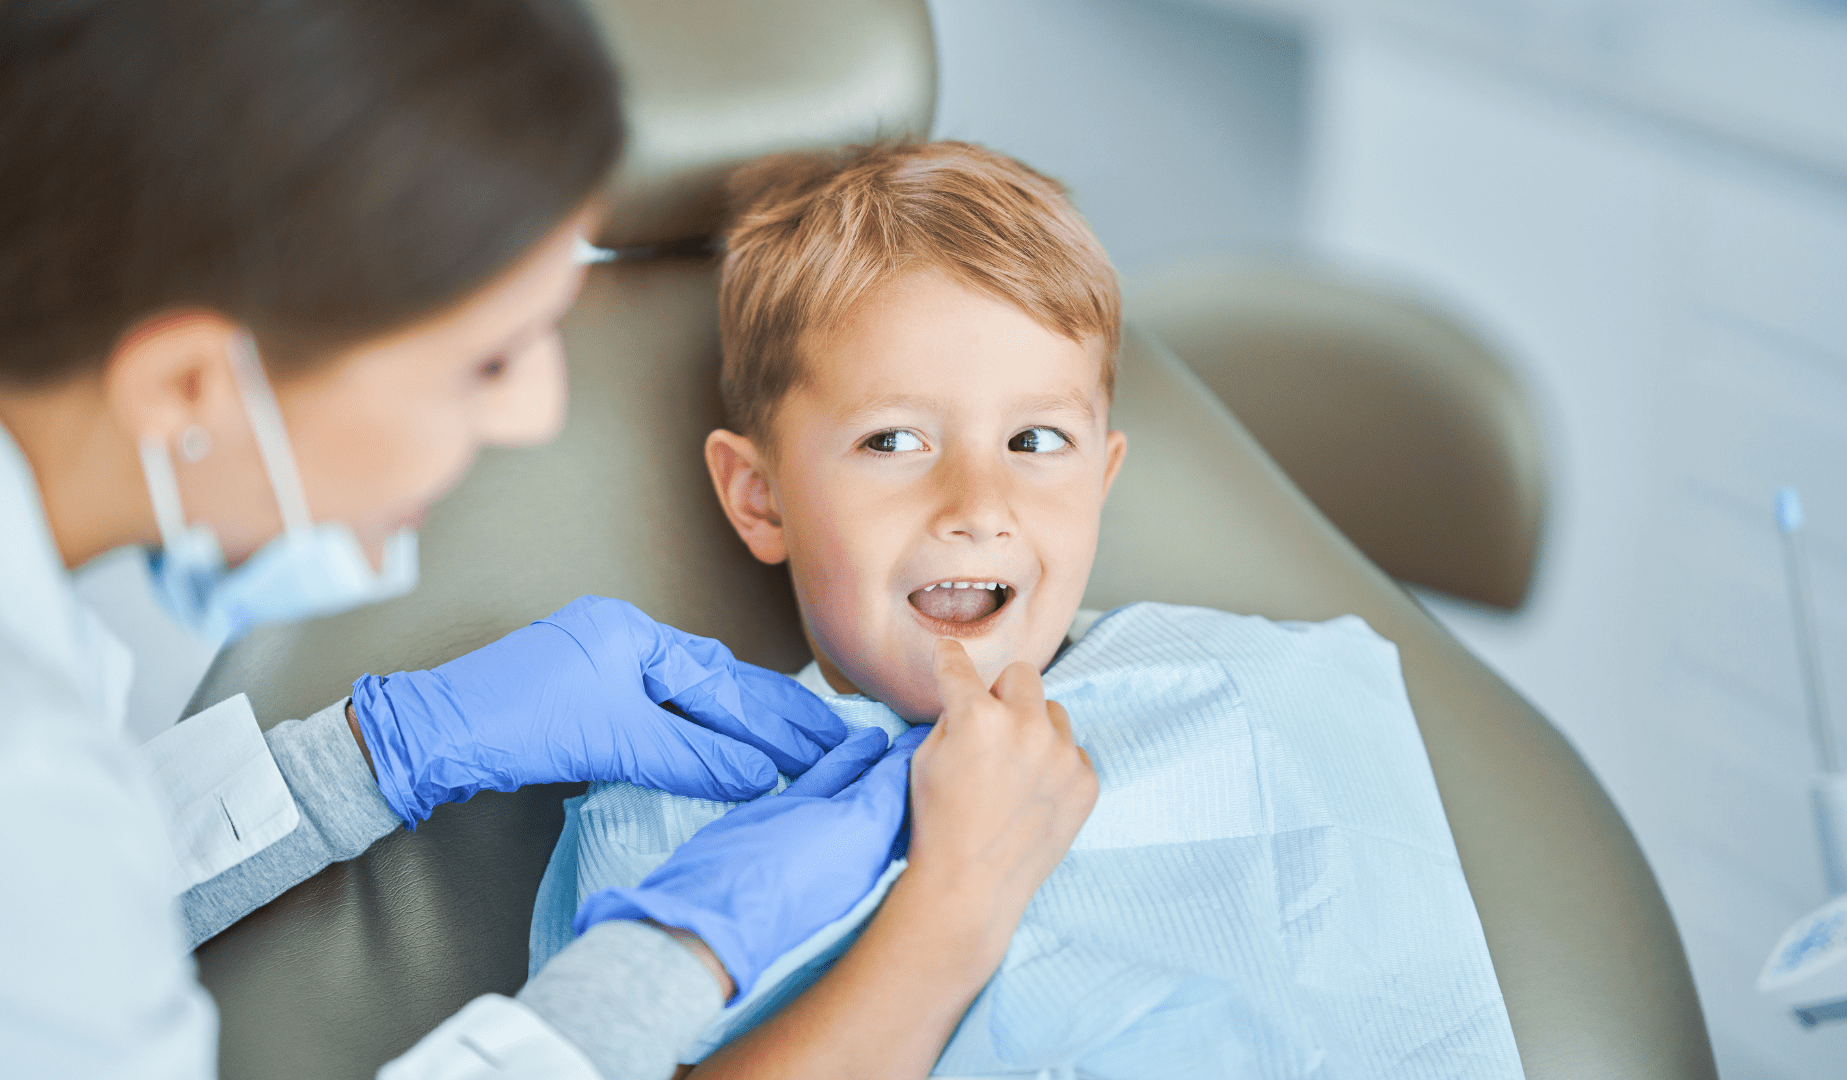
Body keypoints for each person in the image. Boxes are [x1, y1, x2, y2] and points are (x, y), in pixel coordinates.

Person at [0, 6, 1095, 1080]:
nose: (538, 414)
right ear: (188, 387)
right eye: (486, 360)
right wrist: (737, 953)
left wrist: (363, 759)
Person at [534, 142, 1524, 1078]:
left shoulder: (1257, 704)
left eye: (1037, 441)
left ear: (1102, 476)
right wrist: (954, 903)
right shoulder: (676, 811)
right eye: (892, 442)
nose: (978, 508)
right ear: (759, 496)